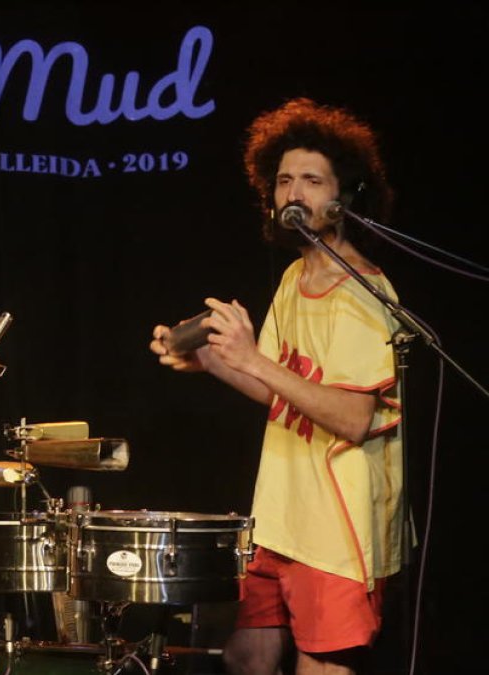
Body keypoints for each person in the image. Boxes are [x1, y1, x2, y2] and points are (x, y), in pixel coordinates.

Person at [150, 98, 404, 675]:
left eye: (312, 180)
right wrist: (215, 362)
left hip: (337, 533)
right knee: (247, 656)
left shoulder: (364, 294)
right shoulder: (296, 276)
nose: (294, 192)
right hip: (283, 515)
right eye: (284, 179)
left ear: (346, 198)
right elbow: (283, 394)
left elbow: (354, 417)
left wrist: (252, 361)